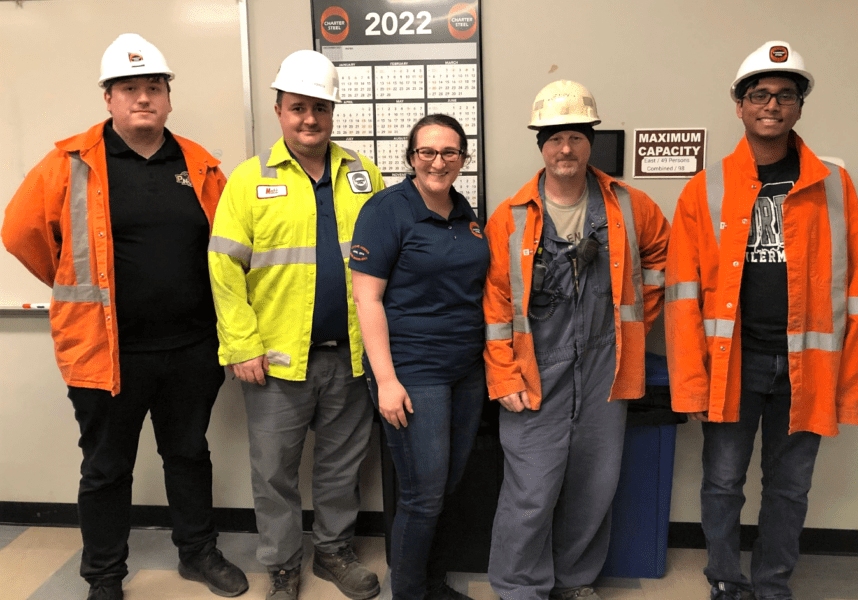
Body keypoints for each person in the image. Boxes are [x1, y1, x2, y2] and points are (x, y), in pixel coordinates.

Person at [1, 33, 248, 600]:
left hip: (191, 348)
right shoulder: (69, 165)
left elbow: (232, 248)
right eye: (129, 88)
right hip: (105, 353)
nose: (143, 98)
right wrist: (75, 290)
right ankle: (105, 576)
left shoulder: (201, 165)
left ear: (168, 98)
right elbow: (20, 233)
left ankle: (197, 552)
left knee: (188, 453)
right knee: (107, 468)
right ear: (108, 98)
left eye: (154, 88)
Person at [664, 41, 858, 600]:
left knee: (789, 488)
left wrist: (852, 381)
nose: (772, 105)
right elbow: (683, 298)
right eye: (759, 94)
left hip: (810, 367)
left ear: (800, 107)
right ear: (739, 105)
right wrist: (689, 381)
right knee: (723, 482)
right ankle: (725, 583)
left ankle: (773, 585)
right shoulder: (704, 189)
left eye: (785, 95)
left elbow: (855, 289)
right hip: (733, 361)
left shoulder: (835, 185)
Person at [207, 50, 384, 600]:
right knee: (274, 474)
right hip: (278, 360)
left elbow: (385, 260)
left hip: (349, 356)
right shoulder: (249, 179)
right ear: (280, 110)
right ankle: (282, 564)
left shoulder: (363, 173)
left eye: (320, 108)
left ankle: (332, 551)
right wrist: (241, 345)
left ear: (332, 112)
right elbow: (223, 267)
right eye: (298, 108)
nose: (310, 119)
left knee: (340, 468)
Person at [483, 80, 669, 600]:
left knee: (594, 486)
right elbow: (497, 304)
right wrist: (503, 374)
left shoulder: (632, 207)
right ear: (540, 144)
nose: (565, 148)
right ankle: (520, 588)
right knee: (531, 491)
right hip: (535, 370)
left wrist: (635, 325)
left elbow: (661, 263)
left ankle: (575, 582)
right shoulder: (512, 216)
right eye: (554, 137)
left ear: (591, 141)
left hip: (606, 369)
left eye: (576, 136)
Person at [350, 114, 490, 600]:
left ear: (463, 160)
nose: (438, 161)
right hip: (413, 370)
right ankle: (409, 593)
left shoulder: (465, 210)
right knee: (422, 496)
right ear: (410, 157)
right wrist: (386, 381)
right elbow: (367, 300)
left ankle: (433, 584)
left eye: (449, 152)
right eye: (426, 152)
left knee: (447, 489)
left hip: (466, 371)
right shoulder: (388, 209)